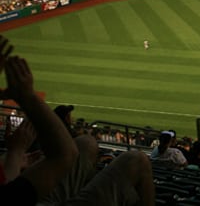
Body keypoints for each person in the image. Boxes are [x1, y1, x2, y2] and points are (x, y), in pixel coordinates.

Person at [0, 36, 155, 206]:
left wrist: (14, 155)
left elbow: (8, 183)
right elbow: (65, 155)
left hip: (13, 187)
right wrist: (27, 96)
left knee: (87, 143)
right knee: (136, 160)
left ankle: (80, 193)